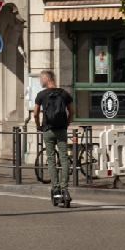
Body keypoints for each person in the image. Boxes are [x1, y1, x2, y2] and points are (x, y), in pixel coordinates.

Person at [33, 69, 73, 204]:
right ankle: (65, 189)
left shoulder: (41, 95)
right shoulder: (64, 94)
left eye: (41, 79)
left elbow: (35, 113)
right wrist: (66, 124)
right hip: (61, 130)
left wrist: (39, 126)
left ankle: (55, 189)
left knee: (51, 159)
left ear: (47, 79)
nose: (40, 81)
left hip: (48, 130)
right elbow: (72, 111)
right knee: (64, 159)